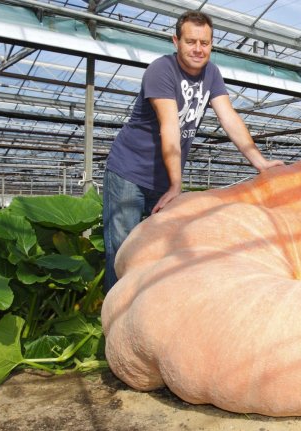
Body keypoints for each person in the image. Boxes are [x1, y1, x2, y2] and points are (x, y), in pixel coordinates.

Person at [102, 11, 283, 292]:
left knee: (163, 249)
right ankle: (114, 321)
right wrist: (177, 184)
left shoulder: (212, 74)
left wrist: (260, 163)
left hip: (163, 178)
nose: (198, 49)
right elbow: (170, 127)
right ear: (176, 41)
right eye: (191, 41)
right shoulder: (161, 71)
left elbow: (229, 118)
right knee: (122, 252)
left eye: (205, 43)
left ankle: (150, 312)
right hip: (130, 172)